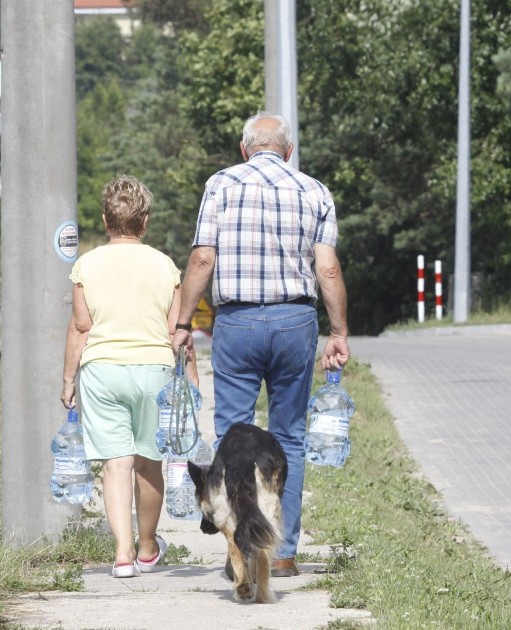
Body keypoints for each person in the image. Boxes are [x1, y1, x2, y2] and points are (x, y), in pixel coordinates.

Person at [172, 111, 350, 578]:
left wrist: (182, 321)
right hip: (295, 321)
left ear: (244, 148)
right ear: (288, 151)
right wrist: (339, 332)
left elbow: (203, 257)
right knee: (288, 435)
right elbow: (327, 268)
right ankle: (284, 551)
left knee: (233, 435)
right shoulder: (313, 190)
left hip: (239, 321)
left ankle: (240, 551)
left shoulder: (221, 185)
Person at [61, 175, 197, 578]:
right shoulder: (164, 265)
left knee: (115, 464)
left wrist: (68, 379)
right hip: (153, 370)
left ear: (105, 219)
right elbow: (178, 332)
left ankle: (122, 554)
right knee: (148, 462)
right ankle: (149, 546)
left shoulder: (87, 264)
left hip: (102, 371)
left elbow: (80, 328)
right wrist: (190, 380)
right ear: (146, 221)